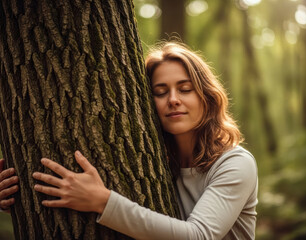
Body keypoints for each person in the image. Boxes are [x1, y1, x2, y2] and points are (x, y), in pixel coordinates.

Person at [0, 42, 258, 239]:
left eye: (185, 89)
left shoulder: (235, 163)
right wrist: (26, 201)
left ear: (208, 97)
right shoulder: (154, 164)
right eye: (160, 92)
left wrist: (102, 201)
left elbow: (198, 235)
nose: (173, 99)